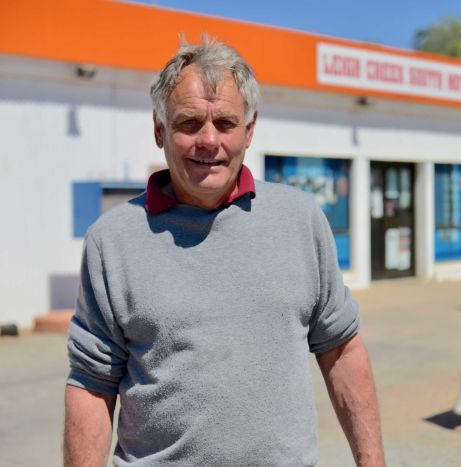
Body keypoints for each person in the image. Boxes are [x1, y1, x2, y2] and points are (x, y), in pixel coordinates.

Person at [64, 37, 385, 467]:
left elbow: (342, 352)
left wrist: (372, 462)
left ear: (249, 130)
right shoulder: (113, 240)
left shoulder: (299, 220)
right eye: (189, 123)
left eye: (226, 123)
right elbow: (91, 383)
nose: (208, 140)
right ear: (159, 130)